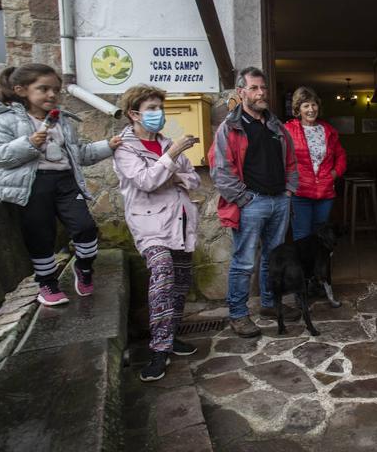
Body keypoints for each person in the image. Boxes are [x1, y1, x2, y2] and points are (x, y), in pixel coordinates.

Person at [0, 63, 121, 306]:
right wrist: (29, 143)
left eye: (56, 90)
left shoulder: (63, 121)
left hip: (65, 182)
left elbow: (80, 154)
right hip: (32, 185)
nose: (52, 95)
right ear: (21, 90)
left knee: (85, 227)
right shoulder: (7, 120)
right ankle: (47, 283)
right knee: (40, 234)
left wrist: (109, 145)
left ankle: (84, 266)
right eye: (43, 89)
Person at [113, 85, 201, 381]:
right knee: (162, 277)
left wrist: (172, 170)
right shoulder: (124, 148)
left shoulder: (165, 142)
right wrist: (172, 157)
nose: (158, 114)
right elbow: (146, 181)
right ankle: (158, 349)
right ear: (133, 114)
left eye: (160, 108)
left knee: (180, 284)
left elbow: (193, 180)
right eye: (151, 109)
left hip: (179, 221)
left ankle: (171, 336)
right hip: (150, 226)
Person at [209, 67, 299, 338]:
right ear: (241, 92)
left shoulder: (276, 126)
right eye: (254, 88)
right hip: (252, 203)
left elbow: (291, 162)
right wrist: (244, 199)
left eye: (263, 88)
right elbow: (220, 171)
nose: (261, 93)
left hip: (279, 201)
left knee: (273, 257)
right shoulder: (230, 128)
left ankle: (270, 304)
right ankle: (238, 314)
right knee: (244, 261)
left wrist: (289, 191)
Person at [283, 86, 346, 240]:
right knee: (302, 235)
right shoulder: (287, 130)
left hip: (325, 193)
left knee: (321, 236)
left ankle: (320, 265)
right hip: (299, 193)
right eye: (306, 105)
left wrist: (334, 174)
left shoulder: (328, 130)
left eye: (314, 104)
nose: (311, 109)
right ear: (298, 109)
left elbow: (341, 155)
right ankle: (304, 265)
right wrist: (287, 184)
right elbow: (279, 159)